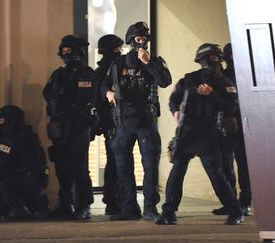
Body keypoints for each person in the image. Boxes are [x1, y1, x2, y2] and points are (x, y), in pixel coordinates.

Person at [155, 43, 243, 225]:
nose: (215, 61)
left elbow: (232, 107)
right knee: (177, 172)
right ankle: (169, 212)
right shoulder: (188, 79)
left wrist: (212, 94)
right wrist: (175, 113)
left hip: (210, 134)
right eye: (212, 57)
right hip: (187, 132)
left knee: (216, 174)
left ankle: (235, 211)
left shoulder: (224, 82)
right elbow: (174, 100)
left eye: (217, 58)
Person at [101, 21, 172, 221]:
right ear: (131, 41)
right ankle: (129, 208)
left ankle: (150, 208)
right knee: (123, 166)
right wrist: (107, 92)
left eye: (144, 38)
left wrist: (148, 63)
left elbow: (165, 81)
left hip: (145, 120)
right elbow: (103, 85)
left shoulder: (154, 61)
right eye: (138, 39)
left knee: (150, 164)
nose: (141, 42)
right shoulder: (118, 63)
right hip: (123, 121)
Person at [43, 34, 96, 219]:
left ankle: (84, 204)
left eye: (69, 50)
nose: (65, 54)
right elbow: (48, 94)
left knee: (78, 164)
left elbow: (85, 96)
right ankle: (65, 203)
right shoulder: (58, 74)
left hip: (78, 125)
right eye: (63, 51)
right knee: (61, 165)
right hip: (60, 124)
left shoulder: (86, 73)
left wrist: (67, 100)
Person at [0, 105, 50, 221]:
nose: (0, 123)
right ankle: (33, 206)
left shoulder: (12, 140)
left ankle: (20, 209)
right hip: (36, 182)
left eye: (2, 120)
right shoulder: (28, 135)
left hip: (27, 183)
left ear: (10, 121)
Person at [212, 43, 252, 216]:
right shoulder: (223, 75)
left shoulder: (243, 74)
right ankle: (234, 202)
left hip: (240, 123)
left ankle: (243, 202)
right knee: (228, 164)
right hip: (230, 124)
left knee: (241, 164)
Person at [94, 34, 127, 215]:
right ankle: (113, 200)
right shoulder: (105, 71)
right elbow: (99, 101)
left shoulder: (113, 68)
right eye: (116, 49)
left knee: (116, 161)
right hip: (112, 122)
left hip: (116, 121)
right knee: (116, 161)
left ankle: (114, 199)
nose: (119, 52)